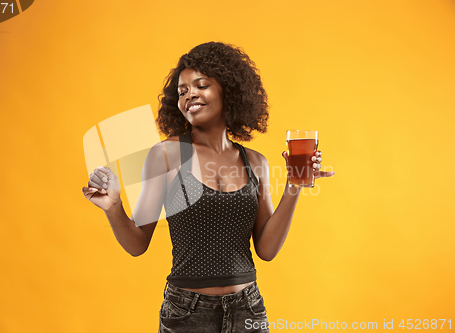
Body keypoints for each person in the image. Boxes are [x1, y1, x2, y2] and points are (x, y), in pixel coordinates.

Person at [82, 42, 334, 333]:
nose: (190, 95)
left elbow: (266, 249)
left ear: (228, 90)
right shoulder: (166, 155)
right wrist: (113, 207)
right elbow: (137, 244)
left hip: (248, 309)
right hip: (187, 313)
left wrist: (293, 185)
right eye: (182, 92)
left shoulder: (256, 163)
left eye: (201, 85)